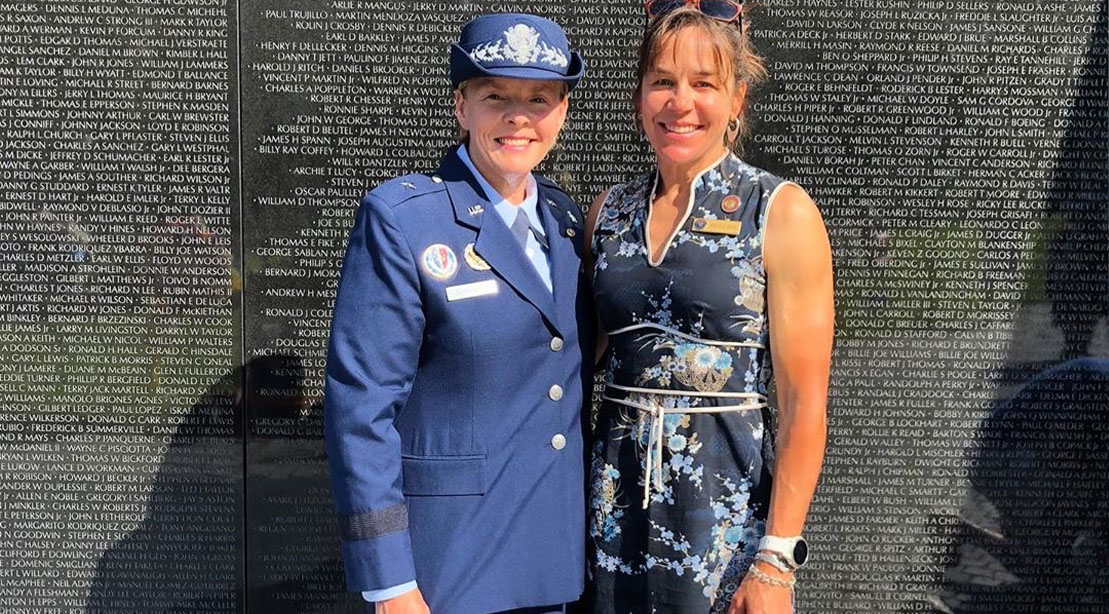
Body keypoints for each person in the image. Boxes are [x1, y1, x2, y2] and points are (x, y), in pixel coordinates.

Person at [324, 13, 591, 614]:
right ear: (460, 106)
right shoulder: (404, 219)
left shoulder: (567, 221)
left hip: (556, 562)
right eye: (496, 97)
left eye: (539, 99)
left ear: (562, 112)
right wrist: (389, 582)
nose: (518, 117)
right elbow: (361, 407)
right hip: (448, 568)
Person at [583, 3, 833, 613]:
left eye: (704, 84)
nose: (681, 103)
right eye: (663, 81)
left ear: (737, 99)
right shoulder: (607, 213)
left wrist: (776, 561)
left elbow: (803, 403)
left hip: (724, 520)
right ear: (640, 96)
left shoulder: (778, 211)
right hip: (610, 509)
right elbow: (571, 364)